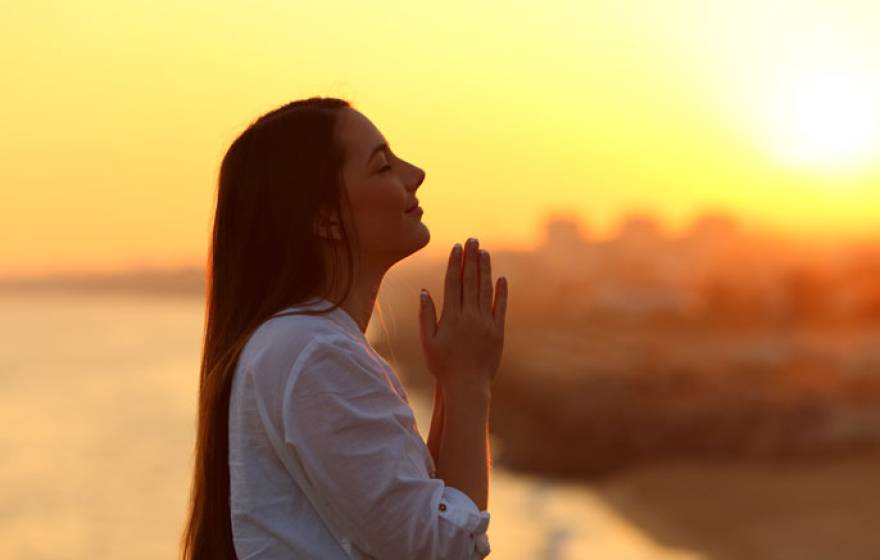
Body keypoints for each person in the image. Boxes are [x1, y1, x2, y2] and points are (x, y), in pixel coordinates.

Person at [180, 96, 508, 559]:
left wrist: (454, 385)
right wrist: (471, 383)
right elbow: (443, 550)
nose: (415, 173)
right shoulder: (314, 351)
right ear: (326, 218)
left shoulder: (302, 344)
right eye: (382, 166)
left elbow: (425, 515)